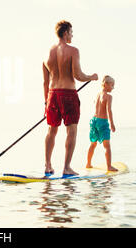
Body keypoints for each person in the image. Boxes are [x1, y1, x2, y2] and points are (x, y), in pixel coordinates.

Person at [43, 20, 98, 176]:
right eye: (71, 32)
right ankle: (66, 167)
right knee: (71, 131)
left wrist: (46, 103)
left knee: (51, 131)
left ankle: (48, 166)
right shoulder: (73, 51)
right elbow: (77, 75)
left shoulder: (47, 53)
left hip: (52, 95)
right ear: (65, 33)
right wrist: (91, 77)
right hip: (68, 95)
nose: (72, 35)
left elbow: (45, 82)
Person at [86, 75, 118, 171]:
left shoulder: (98, 94)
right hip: (103, 122)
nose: (113, 87)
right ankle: (109, 166)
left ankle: (88, 163)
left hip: (94, 121)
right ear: (106, 84)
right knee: (107, 146)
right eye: (112, 85)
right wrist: (112, 123)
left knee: (93, 144)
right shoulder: (109, 97)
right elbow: (109, 110)